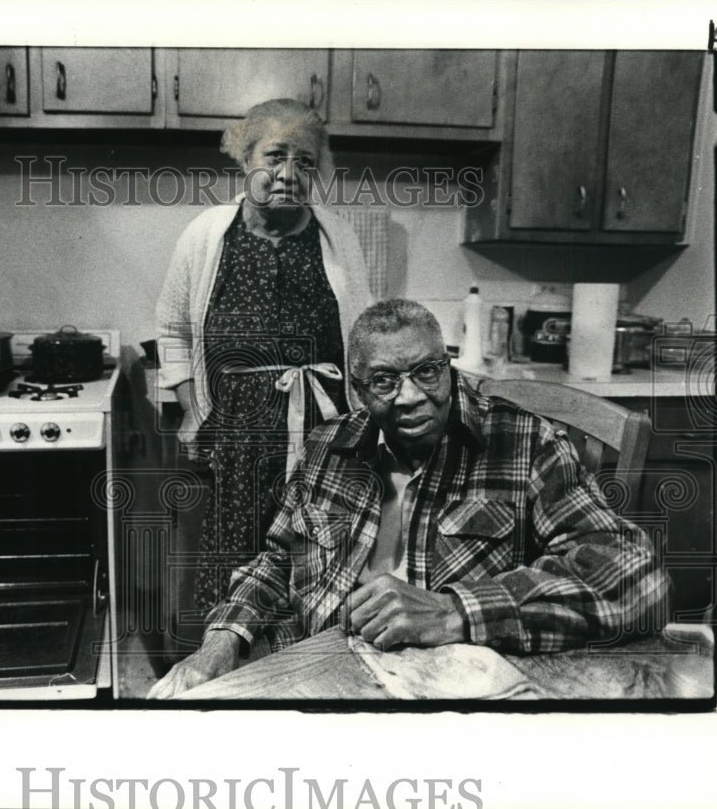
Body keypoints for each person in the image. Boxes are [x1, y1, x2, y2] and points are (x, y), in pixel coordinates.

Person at [149, 299, 669, 698]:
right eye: (384, 381)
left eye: (427, 371)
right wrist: (221, 642)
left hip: (455, 688)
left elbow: (636, 578)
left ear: (447, 365)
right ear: (356, 390)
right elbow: (280, 560)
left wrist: (453, 612)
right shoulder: (328, 445)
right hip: (319, 668)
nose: (413, 396)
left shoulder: (525, 443)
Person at [155, 99, 372, 617]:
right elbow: (171, 330)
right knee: (238, 557)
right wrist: (192, 409)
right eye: (275, 156)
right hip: (236, 430)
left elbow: (362, 331)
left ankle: (306, 668)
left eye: (305, 162)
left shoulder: (336, 235)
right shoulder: (207, 233)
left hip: (325, 429)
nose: (289, 173)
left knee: (318, 558)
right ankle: (230, 669)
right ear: (244, 157)